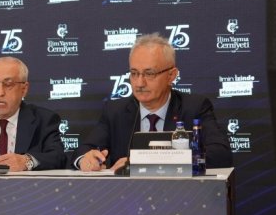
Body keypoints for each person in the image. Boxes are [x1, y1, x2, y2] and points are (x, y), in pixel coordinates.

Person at [75, 33, 232, 172]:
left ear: (171, 75)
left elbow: (220, 154)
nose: (139, 83)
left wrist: (144, 161)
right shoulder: (115, 110)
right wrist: (85, 159)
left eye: (149, 74)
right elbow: (84, 150)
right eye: (134, 73)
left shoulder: (194, 107)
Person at [0, 57, 67, 171]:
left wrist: (27, 161)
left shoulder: (44, 119)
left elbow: (58, 157)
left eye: (8, 84)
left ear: (24, 89)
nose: (0, 93)